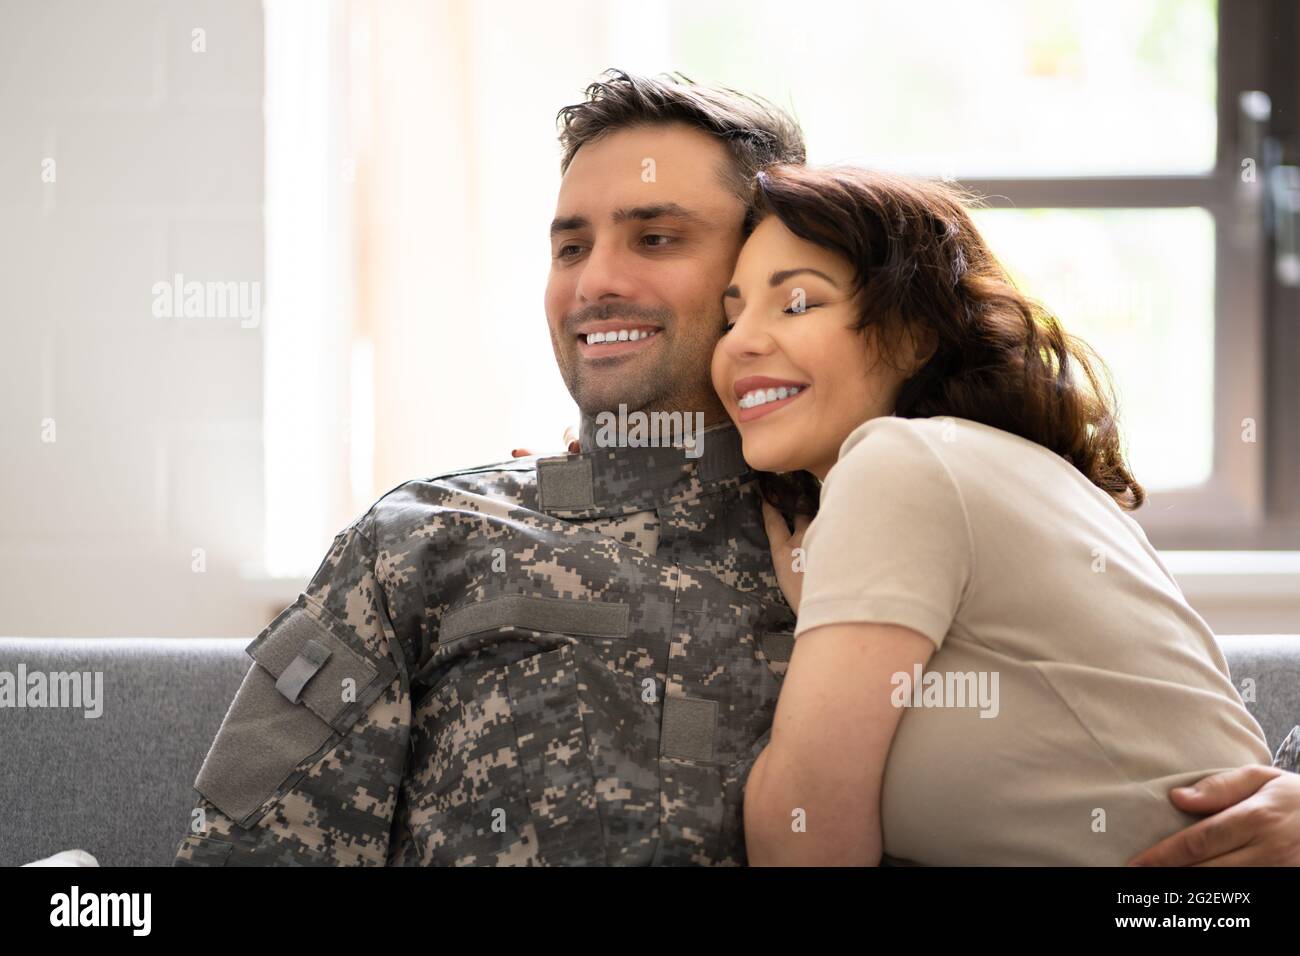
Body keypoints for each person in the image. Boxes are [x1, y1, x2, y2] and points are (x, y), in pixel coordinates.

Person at [175, 69, 1300, 867]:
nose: (596, 280)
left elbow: (1151, 693)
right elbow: (248, 854)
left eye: (656, 237)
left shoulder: (904, 498)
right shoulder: (422, 537)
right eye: (570, 243)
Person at [724, 163, 1288, 865]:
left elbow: (804, 838)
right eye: (730, 314)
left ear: (911, 335)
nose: (739, 342)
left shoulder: (899, 462)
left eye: (797, 303)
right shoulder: (983, 468)